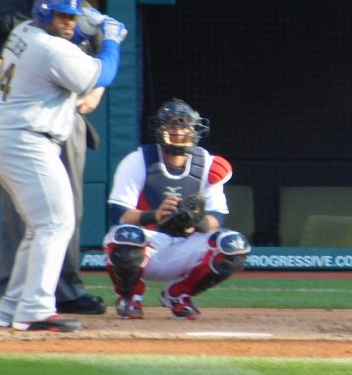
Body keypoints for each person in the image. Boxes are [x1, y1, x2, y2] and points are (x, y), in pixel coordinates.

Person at [0, 0, 108, 318]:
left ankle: (39, 296)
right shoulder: (19, 22)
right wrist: (111, 42)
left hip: (57, 120)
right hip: (29, 125)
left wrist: (91, 95)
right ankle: (28, 301)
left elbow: (95, 71)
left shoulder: (59, 18)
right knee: (41, 218)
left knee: (59, 215)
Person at [0, 0, 125, 333]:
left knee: (41, 226)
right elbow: (102, 73)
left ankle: (12, 306)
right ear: (45, 13)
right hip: (27, 143)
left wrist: (87, 23)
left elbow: (68, 34)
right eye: (61, 15)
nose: (68, 22)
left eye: (71, 16)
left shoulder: (25, 30)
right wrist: (110, 38)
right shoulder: (50, 50)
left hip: (13, 139)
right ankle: (35, 309)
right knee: (56, 223)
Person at [104, 99, 250, 320]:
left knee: (233, 245)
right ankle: (130, 296)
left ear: (194, 131)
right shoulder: (138, 160)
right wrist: (156, 214)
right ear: (161, 129)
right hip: (149, 243)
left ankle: (179, 294)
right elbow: (119, 214)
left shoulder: (209, 165)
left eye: (184, 127)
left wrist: (195, 222)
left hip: (185, 247)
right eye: (173, 126)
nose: (179, 132)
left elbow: (217, 217)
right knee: (124, 236)